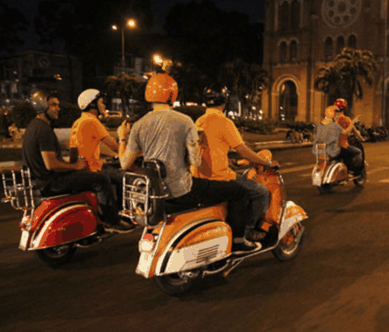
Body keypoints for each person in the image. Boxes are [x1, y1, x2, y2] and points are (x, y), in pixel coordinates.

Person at [118, 74, 261, 254]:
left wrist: (122, 138)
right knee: (238, 191)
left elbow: (124, 163)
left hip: (157, 193)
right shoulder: (184, 121)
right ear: (172, 95)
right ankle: (239, 241)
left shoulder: (138, 125)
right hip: (182, 191)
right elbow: (195, 161)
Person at [22, 89, 133, 233]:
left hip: (39, 181)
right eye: (53, 105)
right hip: (51, 182)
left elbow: (78, 149)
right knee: (103, 180)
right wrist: (74, 166)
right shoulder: (44, 130)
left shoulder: (34, 128)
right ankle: (113, 221)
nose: (58, 108)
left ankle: (103, 214)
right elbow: (51, 164)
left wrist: (73, 165)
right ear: (42, 107)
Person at [192, 84, 277, 241]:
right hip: (220, 177)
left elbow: (209, 148)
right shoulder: (224, 122)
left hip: (199, 177)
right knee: (261, 192)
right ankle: (247, 230)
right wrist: (265, 163)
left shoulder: (199, 121)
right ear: (224, 101)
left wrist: (230, 161)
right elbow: (243, 150)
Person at [69, 89, 124, 208]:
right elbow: (114, 145)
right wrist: (127, 150)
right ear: (92, 105)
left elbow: (90, 146)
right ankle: (121, 212)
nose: (104, 105)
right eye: (101, 102)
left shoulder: (78, 122)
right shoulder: (92, 121)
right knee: (125, 178)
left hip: (82, 168)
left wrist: (113, 155)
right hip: (93, 168)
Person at [333, 98, 364, 176]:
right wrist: (361, 138)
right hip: (341, 146)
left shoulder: (331, 119)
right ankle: (352, 170)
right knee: (358, 152)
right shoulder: (346, 119)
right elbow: (354, 131)